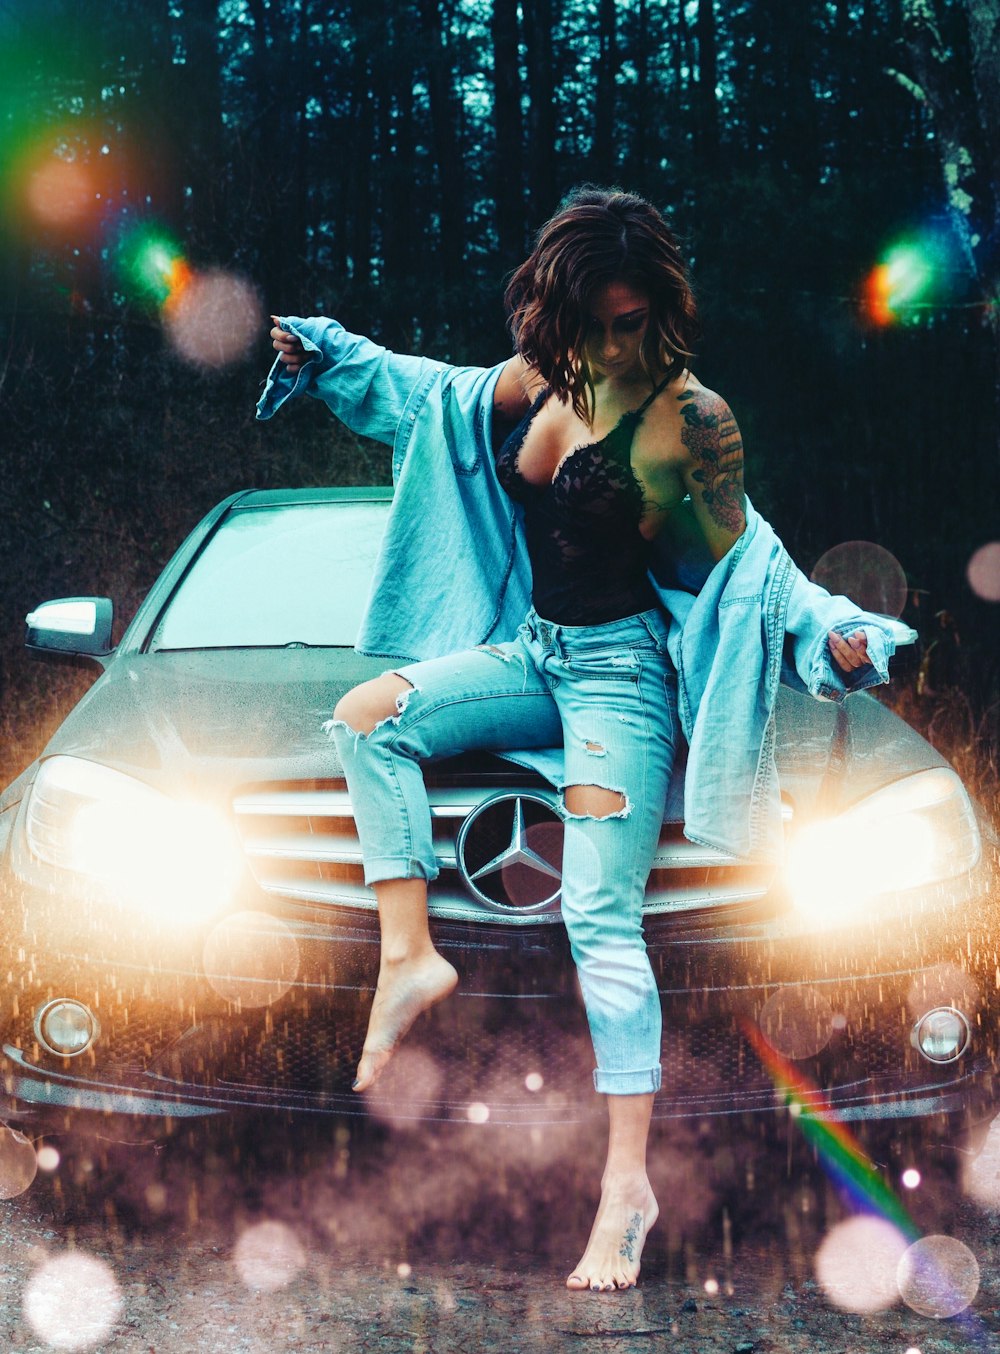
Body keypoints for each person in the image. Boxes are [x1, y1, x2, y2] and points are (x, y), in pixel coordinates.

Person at [260, 186, 891, 1292]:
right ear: (557, 314)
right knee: (369, 721)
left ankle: (623, 1189)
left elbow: (756, 569)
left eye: (634, 316)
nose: (618, 339)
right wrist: (330, 353)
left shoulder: (693, 422)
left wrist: (837, 630)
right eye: (597, 318)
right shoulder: (540, 382)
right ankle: (410, 957)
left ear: (661, 309)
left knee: (603, 915)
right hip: (533, 653)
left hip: (621, 687)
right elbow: (432, 400)